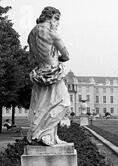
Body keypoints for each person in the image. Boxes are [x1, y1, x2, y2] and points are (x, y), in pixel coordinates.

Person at [27, 6, 71, 146]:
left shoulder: (31, 34)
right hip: (53, 74)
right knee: (63, 103)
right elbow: (66, 55)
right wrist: (57, 58)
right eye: (57, 20)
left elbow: (32, 58)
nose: (58, 24)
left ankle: (49, 136)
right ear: (53, 18)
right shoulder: (52, 33)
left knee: (41, 106)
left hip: (39, 73)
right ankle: (44, 134)